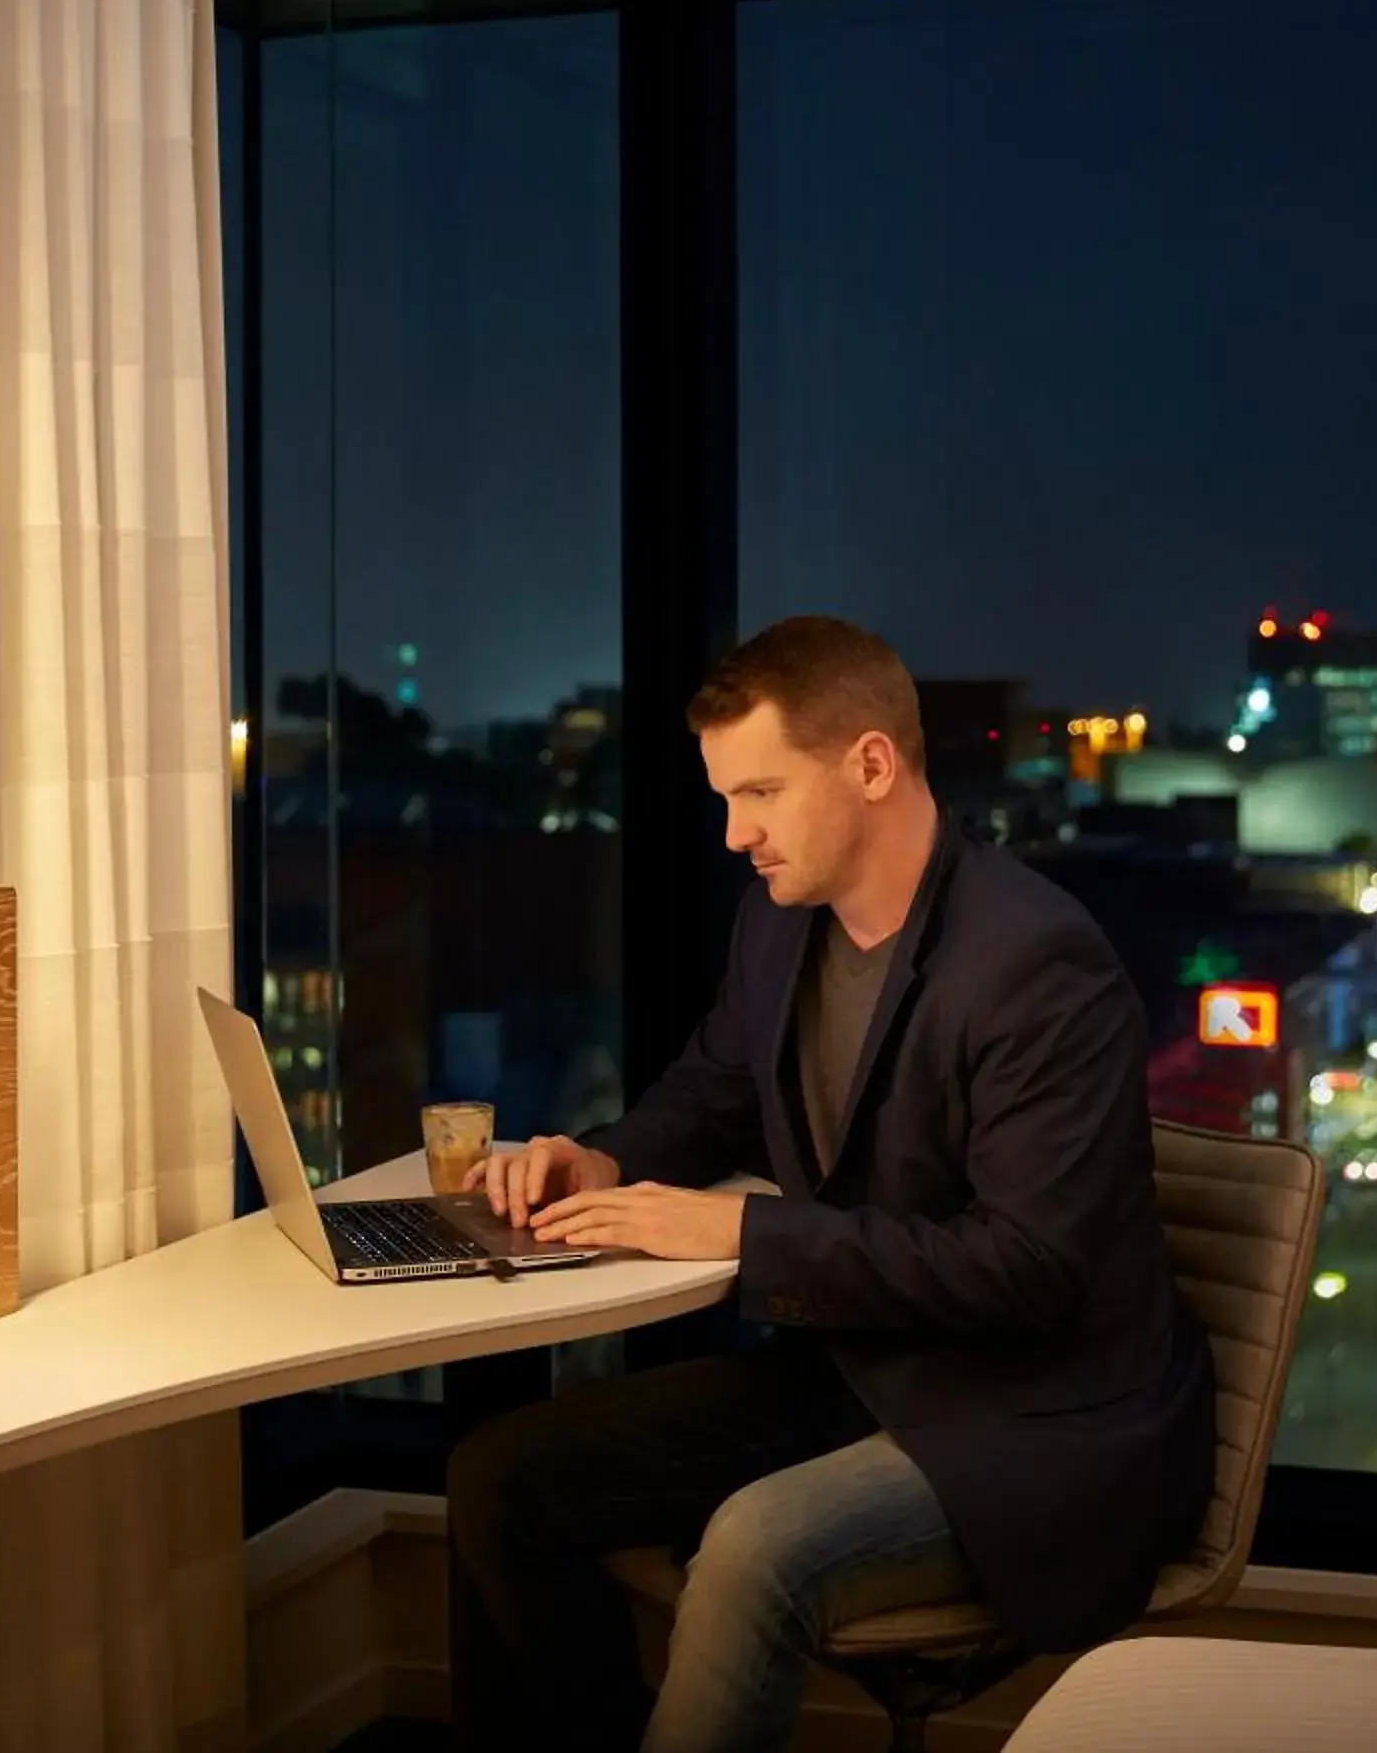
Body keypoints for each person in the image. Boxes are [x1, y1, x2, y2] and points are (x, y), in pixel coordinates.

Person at [449, 616, 1216, 1753]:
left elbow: (1032, 1268)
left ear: (870, 763)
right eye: (723, 798)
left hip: (1034, 1420)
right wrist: (605, 1154)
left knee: (758, 1546)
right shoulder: (780, 922)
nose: (732, 834)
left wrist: (748, 1234)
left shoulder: (1035, 964)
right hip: (859, 1369)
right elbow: (711, 1090)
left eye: (758, 792)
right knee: (501, 1475)